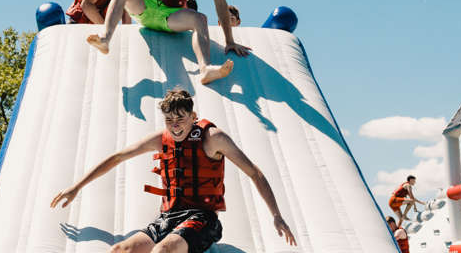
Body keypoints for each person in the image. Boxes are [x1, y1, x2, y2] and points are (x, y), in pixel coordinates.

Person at [51, 89, 296, 253]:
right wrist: (76, 186)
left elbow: (255, 172)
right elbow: (117, 157)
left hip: (203, 219)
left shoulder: (214, 138)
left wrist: (276, 214)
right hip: (168, 218)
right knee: (119, 250)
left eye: (180, 118)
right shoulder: (161, 138)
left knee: (162, 251)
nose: (175, 125)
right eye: (169, 120)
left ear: (193, 116)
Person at [85, 0, 252, 85]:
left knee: (200, 19)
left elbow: (220, 0)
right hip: (144, 5)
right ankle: (105, 38)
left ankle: (205, 69)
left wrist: (229, 40)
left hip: (170, 15)